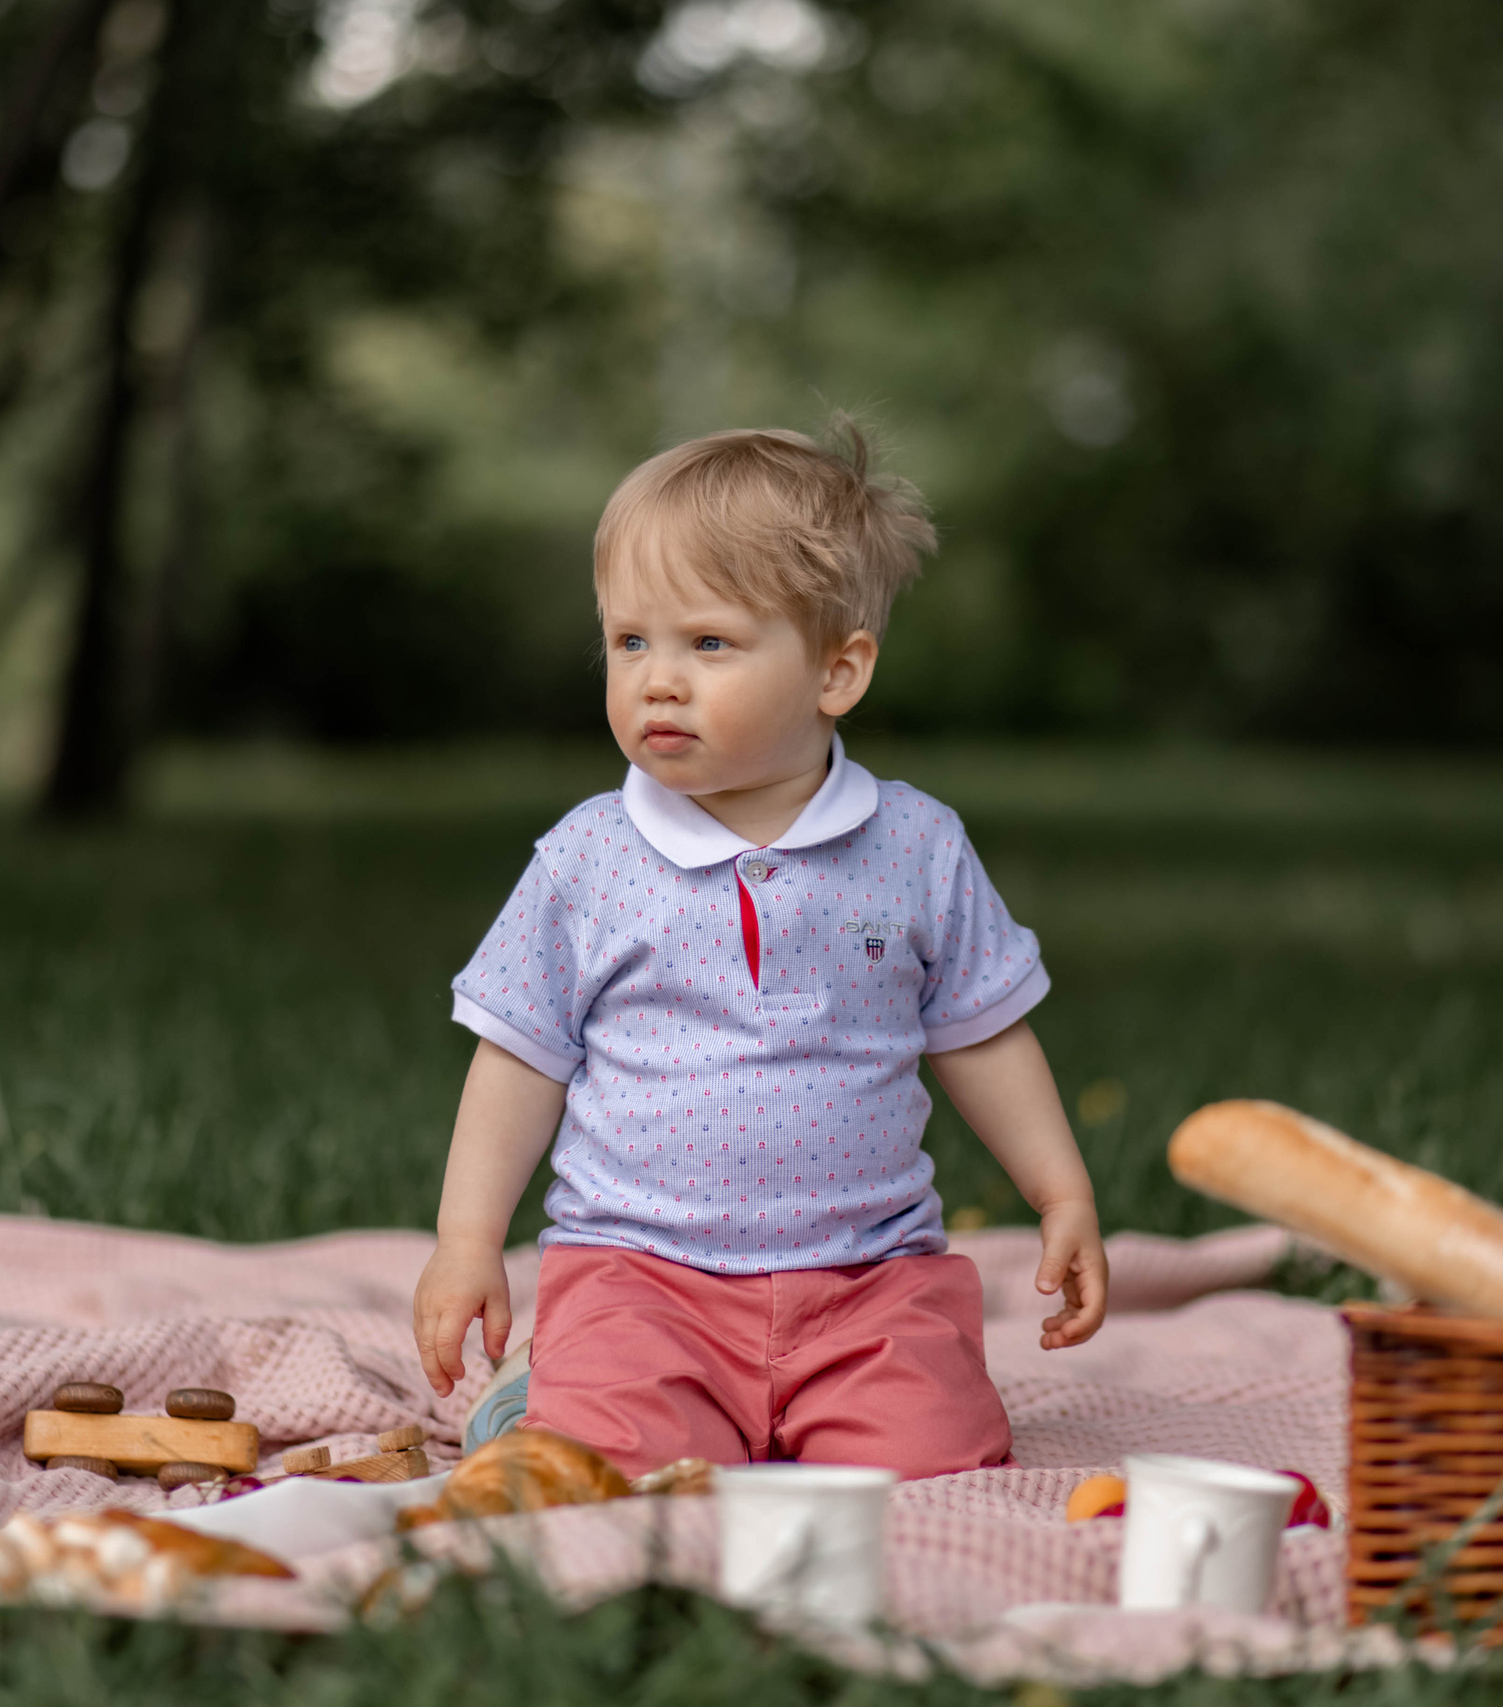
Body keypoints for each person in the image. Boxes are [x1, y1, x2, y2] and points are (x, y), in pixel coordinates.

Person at [411, 418, 1108, 1479]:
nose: (657, 679)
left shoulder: (915, 845)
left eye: (708, 644)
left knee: (938, 1462)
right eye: (629, 641)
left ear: (837, 672)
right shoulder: (587, 860)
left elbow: (981, 1031)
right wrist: (467, 1241)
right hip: (641, 1276)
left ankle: (810, 1414)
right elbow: (518, 1059)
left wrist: (1061, 1192)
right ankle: (545, 1392)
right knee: (615, 1464)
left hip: (869, 1278)